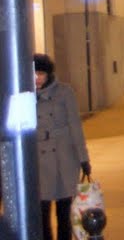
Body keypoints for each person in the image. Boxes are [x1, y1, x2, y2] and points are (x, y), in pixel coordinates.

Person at [34, 53, 90, 240]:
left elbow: (75, 125)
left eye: (41, 73)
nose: (37, 78)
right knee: (41, 212)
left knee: (64, 210)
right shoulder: (26, 96)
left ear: (49, 74)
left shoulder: (65, 92)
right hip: (40, 161)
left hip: (64, 158)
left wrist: (83, 158)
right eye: (34, 74)